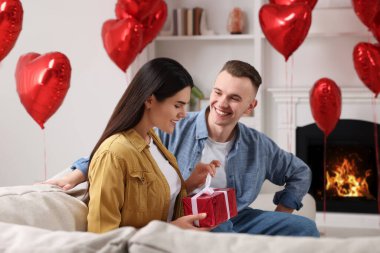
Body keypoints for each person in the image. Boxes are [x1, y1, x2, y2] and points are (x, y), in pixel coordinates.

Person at [45, 60, 320, 237]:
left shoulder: (258, 145)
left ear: (250, 106)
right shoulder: (172, 125)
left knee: (305, 228)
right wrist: (77, 172)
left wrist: (283, 212)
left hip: (238, 217)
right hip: (191, 217)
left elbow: (300, 172)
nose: (222, 103)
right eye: (218, 92)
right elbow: (122, 148)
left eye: (235, 98)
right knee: (220, 227)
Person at [78, 57, 220, 233]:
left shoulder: (153, 140)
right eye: (177, 105)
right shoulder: (113, 153)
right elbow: (101, 235)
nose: (183, 114)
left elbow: (159, 200)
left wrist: (189, 184)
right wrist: (170, 230)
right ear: (150, 100)